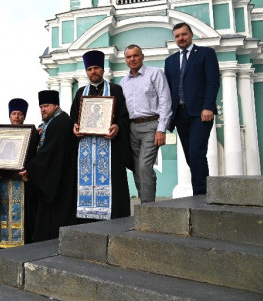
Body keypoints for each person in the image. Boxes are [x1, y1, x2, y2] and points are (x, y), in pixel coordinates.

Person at [70, 50, 131, 220]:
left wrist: (117, 127)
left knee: (114, 184)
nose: (93, 72)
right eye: (89, 69)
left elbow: (124, 117)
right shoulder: (81, 92)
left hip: (110, 148)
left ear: (102, 70)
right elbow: (74, 117)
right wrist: (74, 126)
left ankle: (117, 222)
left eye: (96, 68)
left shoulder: (115, 90)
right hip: (86, 150)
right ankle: (85, 220)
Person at [164, 22, 220, 195]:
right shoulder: (170, 61)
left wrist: (208, 107)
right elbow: (168, 89)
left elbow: (213, 81)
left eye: (184, 34)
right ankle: (204, 190)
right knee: (190, 156)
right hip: (180, 115)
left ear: (191, 34)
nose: (181, 38)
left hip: (200, 113)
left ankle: (201, 194)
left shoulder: (206, 53)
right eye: (177, 36)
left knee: (197, 152)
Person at [19, 90, 77, 242]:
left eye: (46, 106)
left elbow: (49, 155)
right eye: (41, 107)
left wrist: (30, 169)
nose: (43, 109)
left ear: (56, 105)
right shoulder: (49, 124)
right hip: (55, 179)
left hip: (58, 183)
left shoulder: (60, 123)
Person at [120, 44, 172, 203]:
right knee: (137, 169)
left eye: (135, 55)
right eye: (129, 57)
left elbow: (165, 101)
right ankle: (145, 203)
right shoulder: (123, 82)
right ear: (125, 60)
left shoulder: (155, 74)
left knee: (144, 166)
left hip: (151, 126)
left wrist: (161, 129)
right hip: (132, 128)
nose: (132, 59)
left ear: (142, 56)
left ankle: (148, 207)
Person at [0, 98, 38, 248]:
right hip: (4, 181)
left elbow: (34, 156)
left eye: (20, 114)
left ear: (24, 116)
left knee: (23, 217)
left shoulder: (32, 133)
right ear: (9, 115)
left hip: (22, 183)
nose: (16, 117)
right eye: (14, 113)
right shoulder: (2, 133)